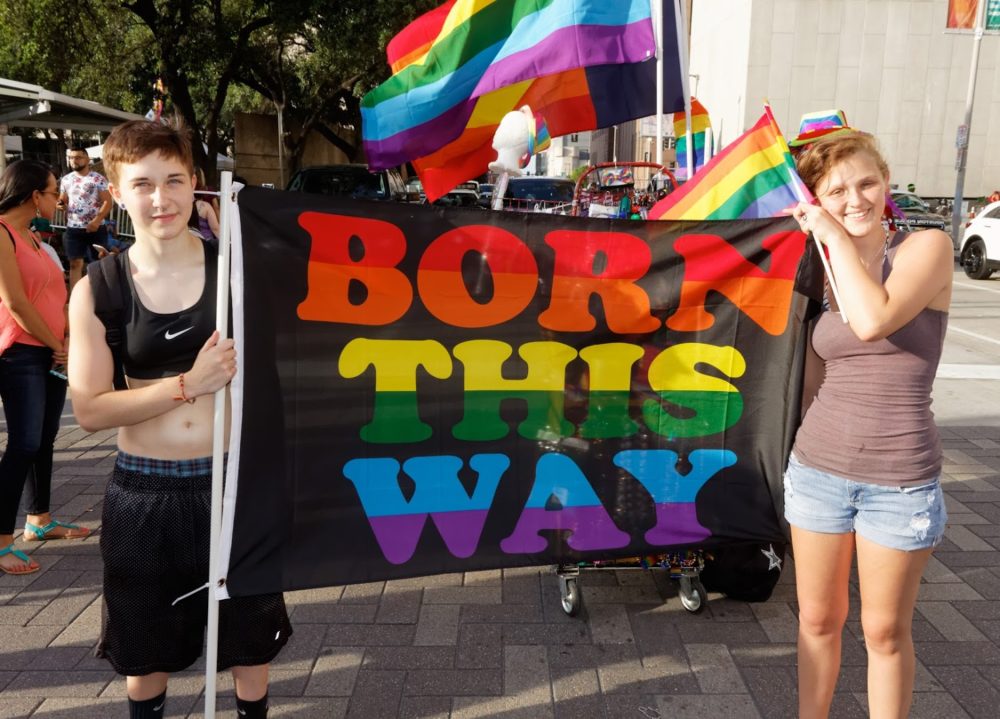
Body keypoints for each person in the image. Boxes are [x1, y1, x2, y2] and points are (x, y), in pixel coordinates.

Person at [67, 120, 289, 718]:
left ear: (196, 185)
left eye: (173, 180)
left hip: (232, 486)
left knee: (251, 646)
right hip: (145, 494)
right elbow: (89, 408)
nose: (160, 199)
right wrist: (189, 385)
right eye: (141, 184)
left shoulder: (236, 272)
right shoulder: (100, 289)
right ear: (115, 192)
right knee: (145, 658)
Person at [785, 132, 953, 718]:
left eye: (866, 182)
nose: (854, 199)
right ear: (817, 199)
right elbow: (810, 380)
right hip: (817, 474)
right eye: (835, 191)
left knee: (883, 631)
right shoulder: (818, 270)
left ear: (886, 181)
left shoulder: (926, 248)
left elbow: (873, 320)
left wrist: (829, 236)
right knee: (817, 620)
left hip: (899, 481)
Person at [0, 160, 91, 575]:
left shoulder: (36, 239)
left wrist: (66, 339)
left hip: (52, 352)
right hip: (21, 353)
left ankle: (38, 521)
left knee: (46, 439)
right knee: (23, 444)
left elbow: (58, 296)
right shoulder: (2, 234)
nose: (62, 198)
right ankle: (2, 540)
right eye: (55, 191)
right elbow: (16, 303)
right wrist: (57, 344)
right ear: (34, 195)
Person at [58, 147, 112, 293]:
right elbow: (62, 199)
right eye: (71, 157)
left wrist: (96, 220)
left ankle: (101, 296)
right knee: (75, 263)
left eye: (78, 157)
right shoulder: (66, 179)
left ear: (87, 159)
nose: (74, 160)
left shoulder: (97, 178)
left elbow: (108, 202)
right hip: (73, 228)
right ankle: (75, 297)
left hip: (96, 227)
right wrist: (60, 204)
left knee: (100, 263)